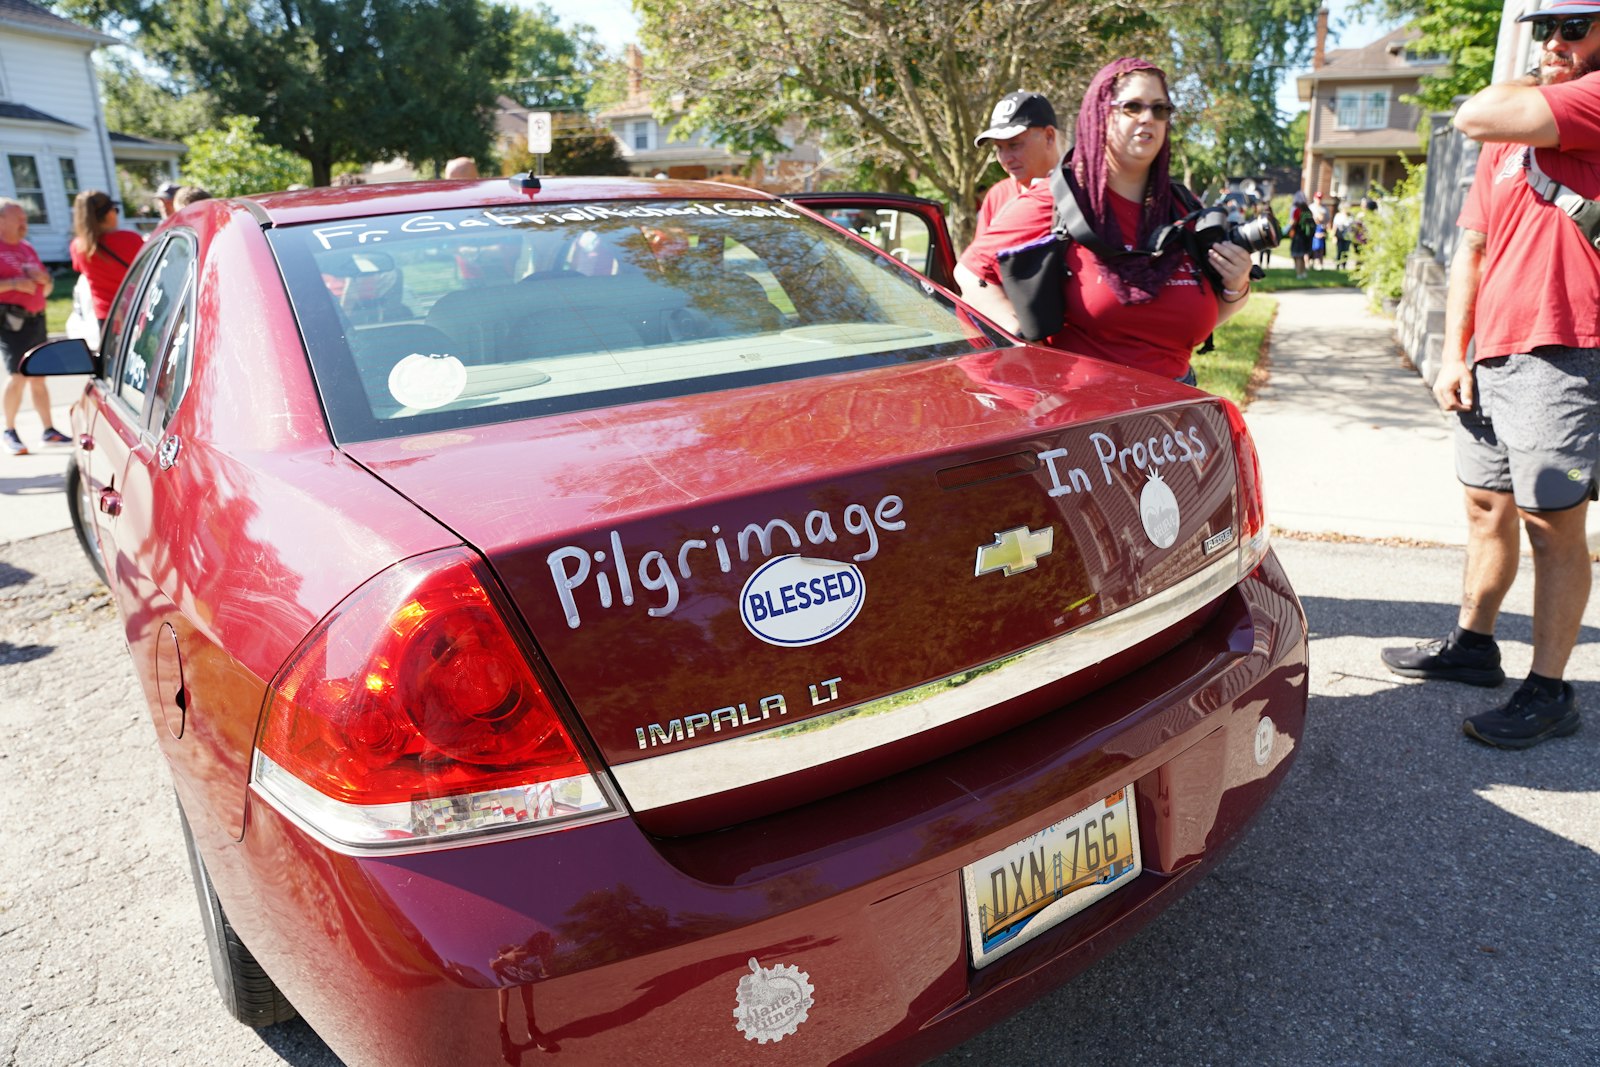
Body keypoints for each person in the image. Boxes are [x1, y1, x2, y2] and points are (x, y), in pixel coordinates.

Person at [1379, 0, 1600, 749]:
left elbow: (1475, 111)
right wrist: (1453, 351)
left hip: (1563, 344)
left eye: (1574, 28)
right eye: (1545, 30)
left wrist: (1535, 80)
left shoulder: (1591, 102)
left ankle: (1550, 689)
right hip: (1492, 350)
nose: (1556, 43)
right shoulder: (1512, 136)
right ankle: (1474, 646)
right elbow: (1470, 246)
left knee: (1552, 522)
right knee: (1484, 505)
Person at [954, 57, 1255, 386]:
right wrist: (1023, 344)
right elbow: (969, 273)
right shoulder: (1059, 201)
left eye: (1160, 109)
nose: (1147, 118)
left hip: (1175, 416)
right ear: (1101, 114)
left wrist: (1235, 285)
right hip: (1088, 422)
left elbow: (1206, 316)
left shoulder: (1183, 210)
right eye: (1132, 106)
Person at [0, 199, 67, 455]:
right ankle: (9, 431)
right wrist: (15, 283)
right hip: (11, 322)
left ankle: (49, 430)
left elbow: (47, 288)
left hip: (37, 318)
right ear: (1, 221)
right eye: (19, 219)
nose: (24, 223)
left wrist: (44, 279)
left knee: (38, 375)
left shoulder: (27, 248)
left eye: (25, 219)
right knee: (17, 376)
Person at [970, 91, 1062, 245]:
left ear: (1049, 136)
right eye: (999, 148)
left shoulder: (1077, 192)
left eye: (1014, 145)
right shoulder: (997, 196)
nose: (1006, 159)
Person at [69, 190, 145, 337]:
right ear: (109, 213)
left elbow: (78, 268)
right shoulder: (130, 240)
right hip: (135, 310)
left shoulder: (78, 247)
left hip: (106, 317)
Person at [1288, 191, 1313, 278]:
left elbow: (1293, 222)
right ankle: (1303, 273)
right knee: (1302, 255)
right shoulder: (1307, 210)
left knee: (1297, 255)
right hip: (1306, 236)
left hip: (1298, 235)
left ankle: (1299, 274)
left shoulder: (1297, 210)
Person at [1254, 200, 1278, 271]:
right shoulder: (1261, 217)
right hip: (1262, 236)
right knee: (1262, 251)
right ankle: (1261, 264)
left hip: (1269, 237)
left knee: (1268, 251)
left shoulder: (1272, 218)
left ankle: (1267, 264)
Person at [1332, 202, 1354, 268]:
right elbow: (1335, 227)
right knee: (1339, 250)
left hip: (1348, 236)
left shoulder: (1351, 216)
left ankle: (1344, 265)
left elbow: (1353, 227)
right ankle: (1337, 264)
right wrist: (1334, 236)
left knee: (1346, 251)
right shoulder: (1338, 216)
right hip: (1339, 236)